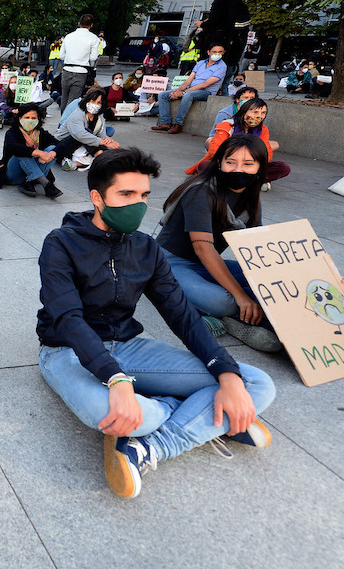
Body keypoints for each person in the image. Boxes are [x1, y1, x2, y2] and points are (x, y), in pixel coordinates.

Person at [36, 146, 276, 499]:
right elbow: (68, 319)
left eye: (144, 195)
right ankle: (203, 416)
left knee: (255, 384)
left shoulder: (146, 249)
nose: (138, 204)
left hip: (128, 347)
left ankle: (149, 447)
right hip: (66, 351)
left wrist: (226, 374)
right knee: (117, 413)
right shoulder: (60, 243)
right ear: (97, 198)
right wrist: (116, 381)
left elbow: (182, 315)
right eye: (126, 194)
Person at [156, 135, 287, 352]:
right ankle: (234, 318)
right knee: (222, 301)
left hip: (207, 264)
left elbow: (260, 249)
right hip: (172, 263)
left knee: (273, 284)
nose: (239, 170)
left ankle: (243, 315)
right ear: (219, 163)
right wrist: (241, 295)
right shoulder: (201, 191)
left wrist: (310, 277)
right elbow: (203, 248)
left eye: (248, 164)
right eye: (230, 162)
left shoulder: (251, 198)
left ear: (260, 168)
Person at [189, 98, 291, 187]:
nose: (259, 116)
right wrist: (232, 161)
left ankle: (236, 182)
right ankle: (250, 182)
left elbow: (267, 153)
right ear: (244, 112)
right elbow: (215, 151)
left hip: (250, 166)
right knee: (204, 166)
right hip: (228, 164)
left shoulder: (263, 129)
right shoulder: (227, 126)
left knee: (283, 168)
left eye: (263, 113)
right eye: (255, 112)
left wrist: (250, 163)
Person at [0, 102, 61, 199]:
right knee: (22, 152)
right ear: (19, 118)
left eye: (33, 118)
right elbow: (13, 147)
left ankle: (29, 182)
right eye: (27, 118)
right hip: (14, 174)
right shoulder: (12, 133)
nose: (30, 121)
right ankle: (46, 184)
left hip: (35, 169)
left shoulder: (41, 133)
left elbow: (60, 144)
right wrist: (38, 153)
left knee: (52, 149)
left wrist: (51, 154)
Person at [153, 43, 227, 134]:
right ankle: (165, 122)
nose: (217, 54)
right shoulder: (200, 63)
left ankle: (178, 124)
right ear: (209, 52)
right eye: (214, 52)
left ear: (223, 53)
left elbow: (205, 84)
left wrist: (183, 92)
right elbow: (188, 81)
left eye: (220, 52)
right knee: (163, 95)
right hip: (192, 88)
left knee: (188, 95)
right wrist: (178, 90)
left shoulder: (222, 67)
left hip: (206, 92)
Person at [193, 0, 251, 79]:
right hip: (234, 46)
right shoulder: (238, 2)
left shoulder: (221, 2)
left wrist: (202, 24)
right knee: (227, 74)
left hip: (220, 42)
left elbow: (216, 21)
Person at [53, 88, 121, 169]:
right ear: (87, 101)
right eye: (93, 101)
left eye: (99, 103)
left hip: (81, 144)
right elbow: (80, 134)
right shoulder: (77, 115)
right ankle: (103, 157)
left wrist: (107, 140)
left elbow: (102, 135)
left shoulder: (99, 118)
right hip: (61, 146)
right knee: (87, 133)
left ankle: (76, 164)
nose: (95, 104)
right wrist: (101, 142)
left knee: (94, 139)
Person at [58, 14, 101, 111]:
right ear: (91, 25)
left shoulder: (69, 36)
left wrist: (70, 58)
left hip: (67, 69)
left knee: (64, 97)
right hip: (81, 71)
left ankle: (62, 121)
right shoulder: (93, 38)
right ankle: (67, 121)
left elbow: (61, 55)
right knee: (73, 99)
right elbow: (94, 57)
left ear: (79, 23)